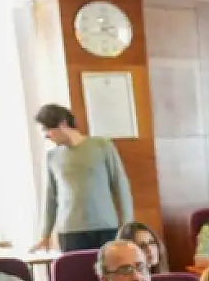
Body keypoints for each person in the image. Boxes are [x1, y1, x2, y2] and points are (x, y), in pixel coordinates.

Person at [32, 104, 133, 254]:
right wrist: (45, 235)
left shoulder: (102, 145)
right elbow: (50, 198)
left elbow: (121, 186)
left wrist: (128, 227)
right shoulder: (52, 157)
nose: (46, 135)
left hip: (105, 228)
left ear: (62, 124)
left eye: (47, 129)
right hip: (70, 232)